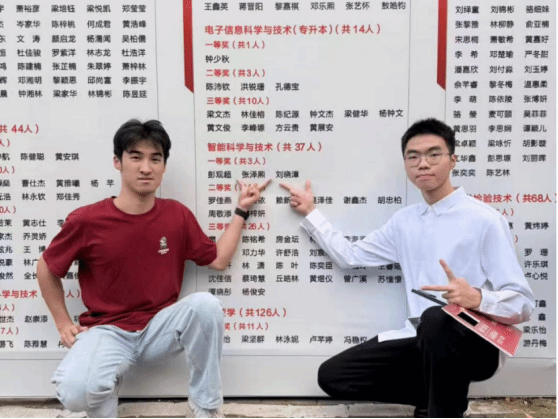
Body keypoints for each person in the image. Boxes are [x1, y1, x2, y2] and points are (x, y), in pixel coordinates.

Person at [280, 118, 535, 418]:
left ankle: (440, 410)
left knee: (437, 318)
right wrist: (311, 214)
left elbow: (523, 303)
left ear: (453, 160)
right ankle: (443, 396)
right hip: (421, 338)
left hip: (475, 343)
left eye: (433, 154)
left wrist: (477, 298)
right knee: (334, 376)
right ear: (405, 164)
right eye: (413, 156)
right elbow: (351, 256)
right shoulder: (405, 221)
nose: (422, 164)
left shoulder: (485, 220)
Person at [37, 119, 270, 418]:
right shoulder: (87, 220)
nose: (146, 168)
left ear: (163, 166)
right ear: (118, 162)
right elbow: (47, 267)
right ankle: (105, 383)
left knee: (206, 305)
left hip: (158, 328)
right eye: (136, 157)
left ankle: (206, 406)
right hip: (106, 331)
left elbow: (218, 260)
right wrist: (62, 323)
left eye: (155, 159)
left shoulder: (176, 215)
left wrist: (241, 210)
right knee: (74, 393)